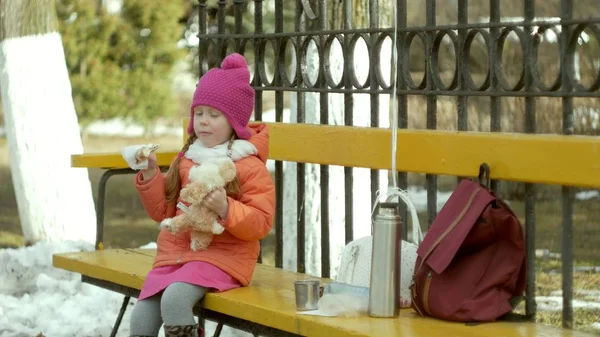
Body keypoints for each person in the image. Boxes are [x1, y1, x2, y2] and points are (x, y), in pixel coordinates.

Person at [129, 53, 275, 337]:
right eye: (199, 113)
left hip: (223, 258)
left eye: (214, 114)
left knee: (175, 299)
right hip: (175, 257)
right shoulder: (187, 158)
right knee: (142, 317)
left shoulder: (248, 166)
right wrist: (149, 175)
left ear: (234, 121)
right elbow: (164, 212)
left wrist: (226, 208)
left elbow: (261, 223)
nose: (204, 122)